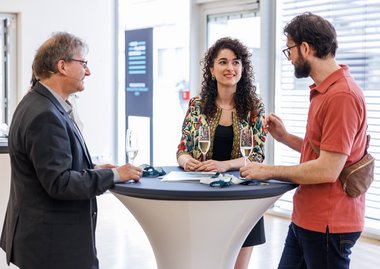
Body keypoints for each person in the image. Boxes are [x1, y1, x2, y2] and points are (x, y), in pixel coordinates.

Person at [0, 32, 143, 269]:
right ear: (62, 66)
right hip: (53, 247)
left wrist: (94, 169)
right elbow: (59, 183)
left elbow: (50, 168)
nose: (88, 71)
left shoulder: (37, 102)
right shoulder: (45, 114)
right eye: (84, 63)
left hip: (42, 240)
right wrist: (116, 175)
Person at [241, 12, 367, 269]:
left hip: (329, 224)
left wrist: (267, 171)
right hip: (307, 218)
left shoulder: (341, 96)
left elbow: (328, 169)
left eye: (289, 51)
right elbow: (324, 153)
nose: (289, 59)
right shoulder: (324, 91)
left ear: (305, 48)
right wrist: (285, 138)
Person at [176, 37, 267, 269]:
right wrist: (187, 161)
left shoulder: (254, 108)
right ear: (212, 69)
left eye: (236, 62)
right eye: (223, 62)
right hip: (204, 198)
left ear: (242, 68)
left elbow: (257, 156)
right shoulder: (196, 105)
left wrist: (224, 165)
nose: (230, 68)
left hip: (243, 200)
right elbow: (182, 149)